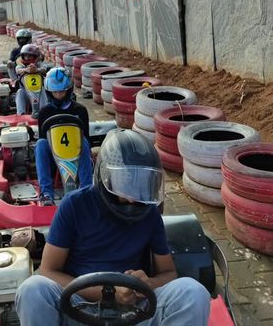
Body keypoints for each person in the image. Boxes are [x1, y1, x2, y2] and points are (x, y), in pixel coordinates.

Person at [16, 129, 211, 326]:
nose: (135, 194)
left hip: (134, 310)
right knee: (32, 289)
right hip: (80, 306)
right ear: (105, 174)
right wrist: (107, 293)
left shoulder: (149, 213)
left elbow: (169, 273)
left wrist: (147, 285)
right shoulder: (74, 205)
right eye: (126, 180)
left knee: (193, 292)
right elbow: (47, 271)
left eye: (142, 182)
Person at [35, 67, 93, 206]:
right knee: (40, 144)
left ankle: (87, 189)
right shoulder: (44, 112)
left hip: (75, 152)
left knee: (84, 142)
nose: (59, 95)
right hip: (53, 154)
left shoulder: (80, 110)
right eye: (55, 92)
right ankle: (46, 193)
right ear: (49, 92)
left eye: (61, 91)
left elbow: (86, 136)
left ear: (68, 90)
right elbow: (43, 136)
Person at [15, 43, 47, 116]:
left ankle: (44, 112)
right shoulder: (20, 65)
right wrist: (26, 70)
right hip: (26, 93)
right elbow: (18, 70)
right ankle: (21, 114)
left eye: (30, 55)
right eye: (25, 55)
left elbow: (44, 69)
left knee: (43, 90)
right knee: (19, 92)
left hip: (39, 93)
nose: (27, 58)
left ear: (36, 56)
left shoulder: (39, 64)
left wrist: (36, 70)